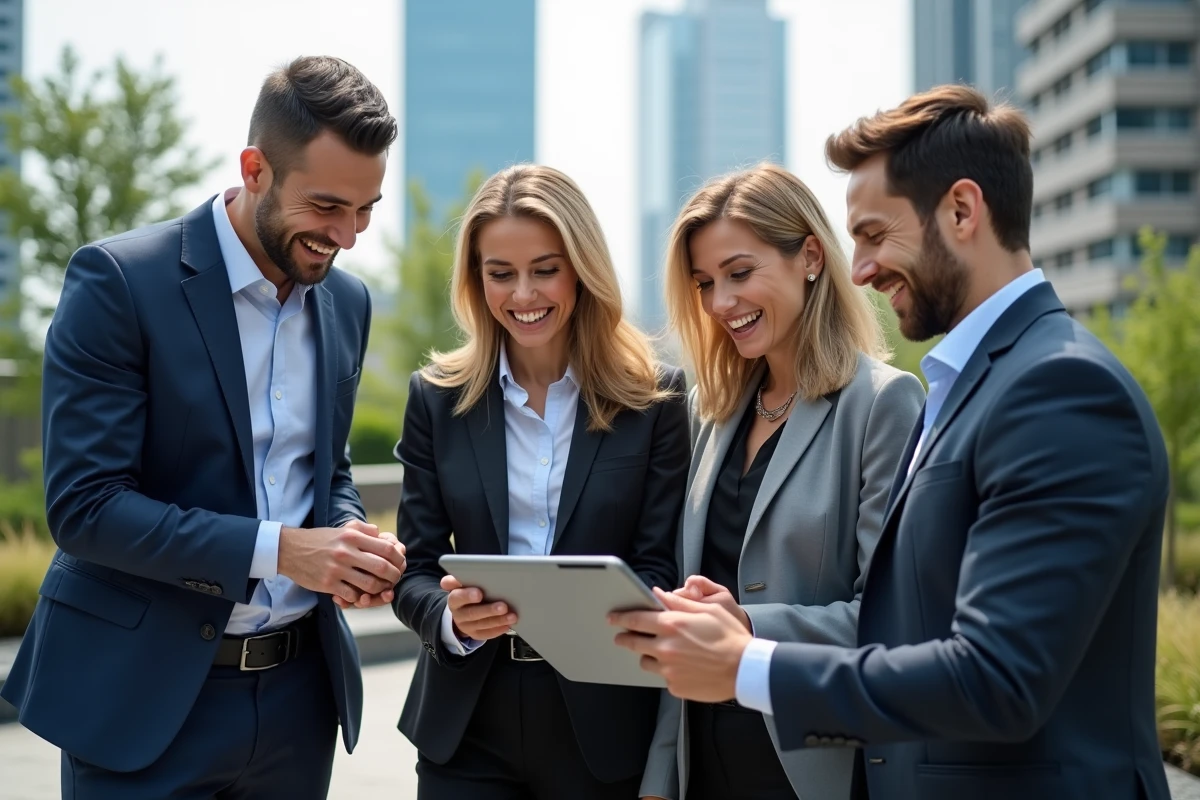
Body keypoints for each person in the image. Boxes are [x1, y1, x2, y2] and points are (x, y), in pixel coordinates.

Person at [612, 84, 1172, 800]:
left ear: (962, 211)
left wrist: (749, 660)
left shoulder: (1059, 388)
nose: (861, 269)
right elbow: (912, 616)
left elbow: (996, 678)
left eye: (875, 235)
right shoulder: (971, 381)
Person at [1, 56, 406, 799]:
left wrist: (348, 542)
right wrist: (283, 551)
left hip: (296, 704)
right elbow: (86, 508)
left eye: (366, 208)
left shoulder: (345, 303)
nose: (347, 236)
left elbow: (327, 469)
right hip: (143, 704)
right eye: (326, 207)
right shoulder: (119, 283)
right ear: (256, 168)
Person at [391, 163, 690, 799]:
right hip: (467, 724)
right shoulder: (436, 400)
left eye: (545, 269)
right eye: (500, 273)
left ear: (581, 268)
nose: (523, 295)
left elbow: (659, 563)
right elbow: (413, 569)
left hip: (603, 726)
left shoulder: (657, 401)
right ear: (477, 280)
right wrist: (451, 618)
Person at [637, 163, 924, 800]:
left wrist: (745, 624)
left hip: (811, 765)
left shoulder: (883, 403)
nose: (720, 303)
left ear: (811, 258)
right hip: (703, 764)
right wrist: (661, 774)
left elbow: (892, 622)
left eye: (740, 273)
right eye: (706, 283)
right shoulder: (711, 415)